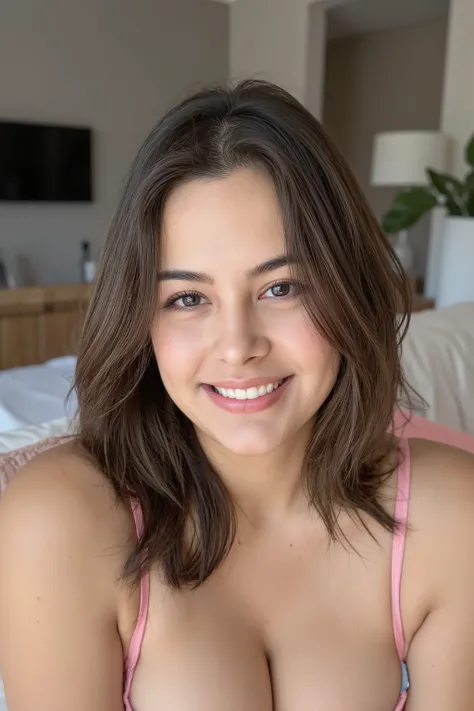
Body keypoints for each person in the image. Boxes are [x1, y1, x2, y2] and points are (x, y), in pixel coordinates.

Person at [1, 80, 474, 711]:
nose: (237, 345)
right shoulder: (60, 518)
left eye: (282, 288)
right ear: (141, 320)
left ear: (347, 289)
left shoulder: (454, 515)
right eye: (188, 298)